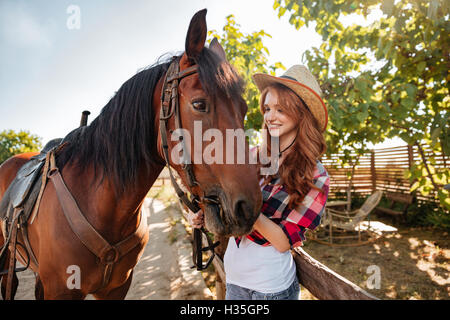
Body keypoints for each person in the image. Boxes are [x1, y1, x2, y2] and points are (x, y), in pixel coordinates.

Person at [187, 65, 330, 300]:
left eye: (280, 109)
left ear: (300, 113)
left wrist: (241, 206)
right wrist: (208, 214)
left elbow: (283, 242)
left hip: (270, 288)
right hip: (235, 280)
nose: (270, 116)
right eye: (267, 108)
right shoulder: (251, 157)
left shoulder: (316, 175)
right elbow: (225, 207)